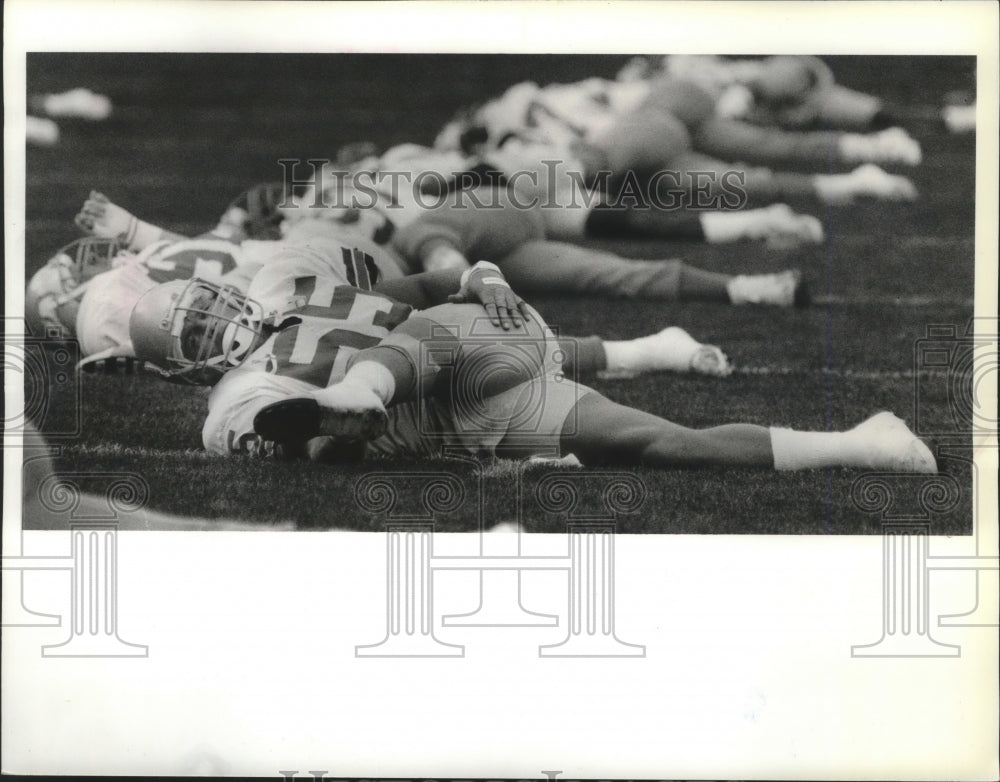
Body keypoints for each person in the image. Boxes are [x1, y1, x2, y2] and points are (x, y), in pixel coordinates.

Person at [127, 260, 936, 474]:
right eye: (191, 333)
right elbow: (297, 445)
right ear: (183, 369)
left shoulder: (302, 297)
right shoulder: (234, 399)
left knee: (400, 354)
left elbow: (450, 280)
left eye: (200, 306)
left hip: (461, 342)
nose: (211, 322)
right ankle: (864, 443)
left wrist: (489, 279)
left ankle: (361, 392)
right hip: (469, 410)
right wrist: (330, 441)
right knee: (660, 446)